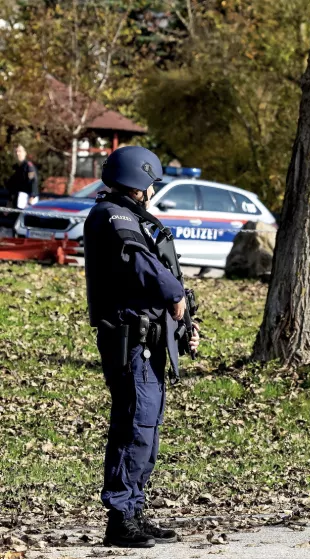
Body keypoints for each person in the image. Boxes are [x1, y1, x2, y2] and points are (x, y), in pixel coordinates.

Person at [84, 146, 200, 548]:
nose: (153, 190)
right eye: (151, 183)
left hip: (147, 341)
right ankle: (120, 520)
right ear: (139, 180)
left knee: (145, 430)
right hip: (131, 341)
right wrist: (174, 293)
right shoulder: (113, 216)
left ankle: (133, 510)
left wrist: (184, 322)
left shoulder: (127, 215)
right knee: (134, 428)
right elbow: (140, 265)